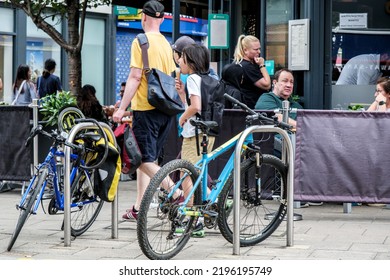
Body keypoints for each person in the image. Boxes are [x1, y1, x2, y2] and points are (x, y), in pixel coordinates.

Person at [112, 0, 177, 221]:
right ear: (162, 19)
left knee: (142, 160)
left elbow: (135, 76)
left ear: (144, 17)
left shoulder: (140, 41)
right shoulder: (167, 44)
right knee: (146, 159)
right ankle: (139, 208)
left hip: (146, 109)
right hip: (165, 110)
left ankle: (174, 192)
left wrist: (121, 108)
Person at [255, 68, 322, 208]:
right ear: (274, 83)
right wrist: (301, 127)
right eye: (284, 81)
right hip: (273, 143)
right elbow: (278, 117)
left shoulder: (296, 105)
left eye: (291, 82)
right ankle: (297, 194)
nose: (289, 85)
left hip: (298, 142)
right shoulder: (266, 98)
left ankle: (311, 192)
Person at [230, 34, 271, 109]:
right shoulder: (247, 66)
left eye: (259, 49)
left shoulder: (241, 63)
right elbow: (267, 85)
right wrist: (262, 65)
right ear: (245, 50)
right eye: (255, 49)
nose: (259, 52)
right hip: (251, 106)